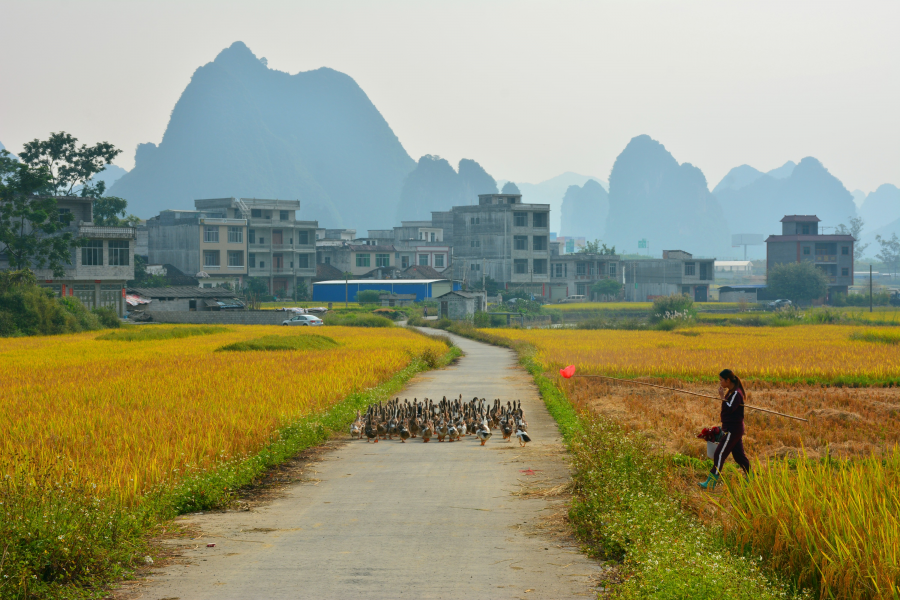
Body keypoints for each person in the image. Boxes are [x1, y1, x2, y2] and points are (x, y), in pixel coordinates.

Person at [699, 368, 751, 490]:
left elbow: (730, 408)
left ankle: (711, 482)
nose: (720, 383)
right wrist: (724, 397)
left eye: (721, 380)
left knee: (719, 454)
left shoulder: (736, 394)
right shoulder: (732, 392)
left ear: (728, 380)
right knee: (738, 456)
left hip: (733, 429)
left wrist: (722, 397)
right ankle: (751, 476)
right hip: (733, 428)